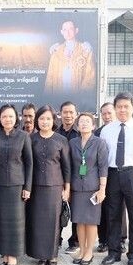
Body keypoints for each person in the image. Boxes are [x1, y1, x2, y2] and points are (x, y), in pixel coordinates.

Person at [99, 92, 133, 265]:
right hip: (113, 174)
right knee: (113, 214)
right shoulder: (107, 130)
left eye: (126, 106)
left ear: (132, 107)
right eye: (119, 106)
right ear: (115, 108)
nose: (122, 110)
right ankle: (114, 252)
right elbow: (103, 158)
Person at [0, 104, 33, 265]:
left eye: (11, 116)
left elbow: (29, 163)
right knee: (3, 222)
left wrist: (27, 186)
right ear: (0, 118)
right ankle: (5, 254)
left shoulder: (23, 136)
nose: (7, 119)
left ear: (16, 119)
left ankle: (13, 255)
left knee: (15, 222)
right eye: (4, 116)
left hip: (17, 185)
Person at [27, 105, 70, 265]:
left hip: (55, 187)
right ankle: (40, 255)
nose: (45, 122)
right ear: (37, 120)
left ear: (53, 120)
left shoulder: (61, 140)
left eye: (48, 118)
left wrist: (67, 188)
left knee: (53, 222)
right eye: (42, 118)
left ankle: (52, 255)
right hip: (35, 187)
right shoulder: (31, 139)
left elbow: (67, 167)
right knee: (37, 221)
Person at [68, 113, 108, 265]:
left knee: (91, 222)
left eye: (87, 121)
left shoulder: (99, 143)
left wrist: (102, 189)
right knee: (79, 221)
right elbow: (70, 167)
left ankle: (89, 251)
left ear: (93, 125)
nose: (84, 124)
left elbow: (103, 167)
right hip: (77, 187)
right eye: (81, 122)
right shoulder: (72, 143)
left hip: (93, 188)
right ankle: (82, 249)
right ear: (77, 126)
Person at [94, 102, 128, 253]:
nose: (107, 116)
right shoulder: (98, 132)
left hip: (118, 173)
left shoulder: (123, 128)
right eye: (104, 114)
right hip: (101, 175)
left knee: (118, 208)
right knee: (102, 207)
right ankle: (103, 240)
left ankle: (120, 239)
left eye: (109, 113)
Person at [44, 20, 96, 96]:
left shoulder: (85, 50)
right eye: (65, 30)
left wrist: (81, 96)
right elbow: (50, 78)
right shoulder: (56, 51)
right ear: (61, 32)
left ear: (76, 30)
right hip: (58, 96)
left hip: (77, 98)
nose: (67, 32)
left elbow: (90, 77)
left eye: (70, 29)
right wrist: (47, 97)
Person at [55, 101, 80, 253]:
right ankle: (56, 239)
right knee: (57, 210)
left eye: (71, 112)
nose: (68, 115)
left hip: (78, 178)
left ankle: (75, 241)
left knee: (77, 211)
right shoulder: (56, 133)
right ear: (60, 114)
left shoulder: (81, 132)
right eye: (65, 112)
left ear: (76, 114)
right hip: (58, 178)